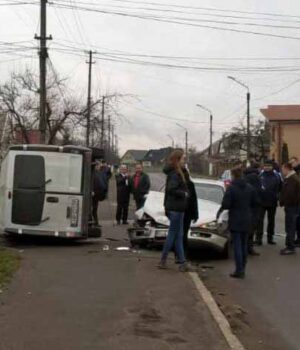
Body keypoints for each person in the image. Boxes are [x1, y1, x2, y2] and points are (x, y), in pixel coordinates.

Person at [217, 167, 258, 279]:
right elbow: (255, 203)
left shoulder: (231, 188)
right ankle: (243, 268)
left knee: (237, 246)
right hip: (247, 219)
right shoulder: (250, 188)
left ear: (233, 175)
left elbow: (226, 204)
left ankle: (239, 270)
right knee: (244, 244)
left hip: (235, 219)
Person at [158, 150, 189, 272]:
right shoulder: (175, 174)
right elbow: (172, 189)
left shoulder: (179, 172)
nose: (185, 161)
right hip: (176, 208)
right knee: (173, 235)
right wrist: (184, 194)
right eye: (183, 159)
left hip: (178, 208)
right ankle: (163, 260)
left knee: (178, 236)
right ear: (177, 159)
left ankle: (182, 262)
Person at [255, 160, 281, 245]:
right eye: (265, 165)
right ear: (263, 166)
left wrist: (277, 196)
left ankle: (270, 238)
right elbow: (256, 188)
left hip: (272, 202)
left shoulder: (277, 176)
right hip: (261, 202)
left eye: (269, 166)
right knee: (259, 221)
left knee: (271, 221)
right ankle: (259, 239)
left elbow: (280, 187)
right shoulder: (260, 175)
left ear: (272, 167)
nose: (267, 167)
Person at [279, 163, 300, 255]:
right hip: (292, 206)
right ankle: (289, 245)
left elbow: (290, 194)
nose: (282, 171)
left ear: (287, 169)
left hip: (292, 207)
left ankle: (290, 247)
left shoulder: (293, 179)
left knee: (290, 227)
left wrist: (284, 201)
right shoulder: (291, 178)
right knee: (289, 226)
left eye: (283, 169)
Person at [243, 162, 261, 256]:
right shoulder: (255, 177)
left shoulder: (245, 176)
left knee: (247, 228)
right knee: (251, 228)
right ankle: (248, 248)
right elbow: (258, 191)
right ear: (257, 168)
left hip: (246, 206)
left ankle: (246, 247)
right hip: (253, 206)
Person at [92, 161, 109, 226]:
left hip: (98, 194)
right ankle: (94, 222)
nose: (99, 167)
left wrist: (104, 165)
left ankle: (96, 223)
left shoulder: (100, 173)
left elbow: (108, 172)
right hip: (93, 193)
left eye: (99, 165)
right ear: (95, 166)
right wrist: (92, 190)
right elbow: (91, 182)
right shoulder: (92, 173)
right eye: (98, 165)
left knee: (95, 209)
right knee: (93, 209)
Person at [290, 157, 300, 246]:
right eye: (291, 163)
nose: (292, 164)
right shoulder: (294, 172)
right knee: (297, 221)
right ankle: (298, 239)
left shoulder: (297, 172)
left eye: (293, 163)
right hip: (296, 201)